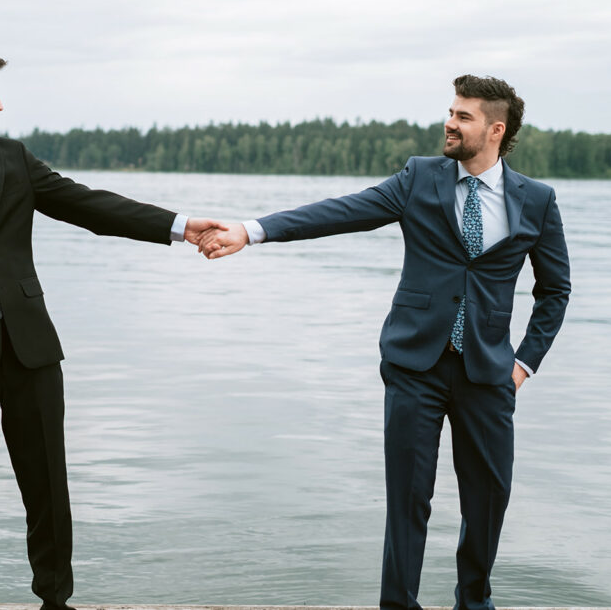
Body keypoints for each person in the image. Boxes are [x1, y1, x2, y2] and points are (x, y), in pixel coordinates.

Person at [0, 43, 224, 610]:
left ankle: (55, 601)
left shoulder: (11, 158)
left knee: (48, 484)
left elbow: (88, 205)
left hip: (32, 348)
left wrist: (179, 226)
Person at [200, 75, 570, 610]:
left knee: (488, 500)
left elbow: (555, 290)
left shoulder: (536, 199)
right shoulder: (420, 178)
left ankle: (475, 603)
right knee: (408, 502)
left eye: (463, 116)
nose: (449, 122)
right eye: (450, 111)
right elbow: (341, 211)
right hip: (414, 367)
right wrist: (252, 230)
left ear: (495, 129)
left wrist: (524, 364)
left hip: (489, 374)